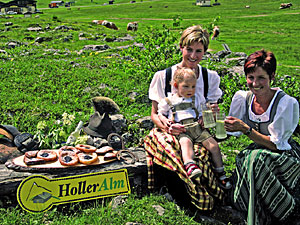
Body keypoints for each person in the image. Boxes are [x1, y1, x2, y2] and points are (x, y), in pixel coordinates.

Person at [144, 25, 225, 211]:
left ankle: (207, 194)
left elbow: (212, 110)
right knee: (175, 150)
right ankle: (180, 194)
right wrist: (165, 126)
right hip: (169, 129)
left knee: (202, 154)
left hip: (196, 129)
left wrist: (209, 115)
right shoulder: (163, 76)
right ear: (181, 47)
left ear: (205, 51)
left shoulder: (209, 77)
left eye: (199, 51)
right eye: (189, 49)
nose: (193, 56)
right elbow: (154, 114)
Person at [224, 49, 300, 224]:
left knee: (255, 160)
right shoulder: (243, 98)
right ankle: (253, 211)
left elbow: (277, 145)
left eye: (261, 78)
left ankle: (286, 209)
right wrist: (216, 120)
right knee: (245, 157)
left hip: (284, 156)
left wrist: (246, 129)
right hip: (259, 152)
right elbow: (230, 133)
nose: (255, 83)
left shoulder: (285, 103)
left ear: (272, 76)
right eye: (250, 77)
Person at [157, 67, 231, 189]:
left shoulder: (196, 98)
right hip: (182, 129)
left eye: (193, 86)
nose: (190, 90)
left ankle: (220, 173)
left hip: (197, 127)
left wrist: (202, 117)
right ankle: (190, 165)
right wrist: (166, 121)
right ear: (176, 85)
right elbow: (160, 114)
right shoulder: (169, 100)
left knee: (213, 145)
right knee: (186, 143)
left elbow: (203, 110)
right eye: (186, 86)